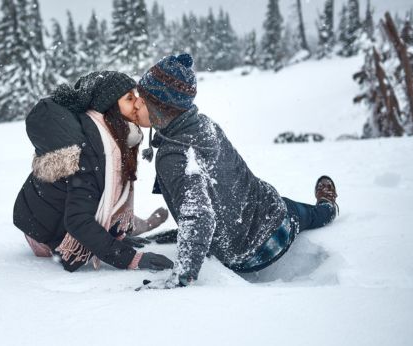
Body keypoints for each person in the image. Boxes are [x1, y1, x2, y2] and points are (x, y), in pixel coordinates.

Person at [134, 53, 339, 288]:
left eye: (143, 99)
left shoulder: (176, 154)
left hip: (252, 247)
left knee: (313, 214)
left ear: (162, 106)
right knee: (305, 214)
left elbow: (199, 215)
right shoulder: (203, 125)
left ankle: (328, 206)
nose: (137, 104)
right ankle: (325, 208)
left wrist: (181, 277)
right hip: (266, 209)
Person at [13, 71, 174, 272]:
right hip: (47, 234)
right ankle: (125, 232)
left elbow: (102, 196)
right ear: (110, 107)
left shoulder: (112, 136)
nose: (138, 103)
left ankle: (123, 231)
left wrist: (118, 237)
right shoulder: (90, 149)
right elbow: (78, 221)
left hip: (63, 216)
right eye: (129, 98)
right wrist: (132, 258)